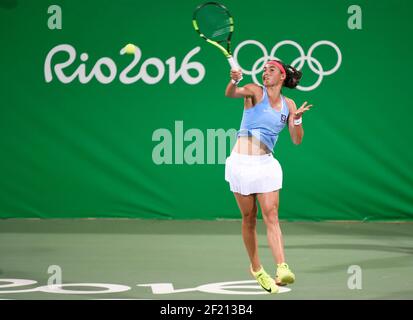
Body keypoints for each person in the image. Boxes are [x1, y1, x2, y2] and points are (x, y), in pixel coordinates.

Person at [224, 59, 313, 294]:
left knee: (271, 215)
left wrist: (297, 119)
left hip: (266, 165)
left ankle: (282, 267)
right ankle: (256, 268)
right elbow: (231, 93)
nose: (266, 73)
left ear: (282, 76)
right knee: (249, 218)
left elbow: (296, 139)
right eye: (264, 70)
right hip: (241, 164)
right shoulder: (254, 91)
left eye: (271, 70)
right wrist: (234, 80)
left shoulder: (290, 104)